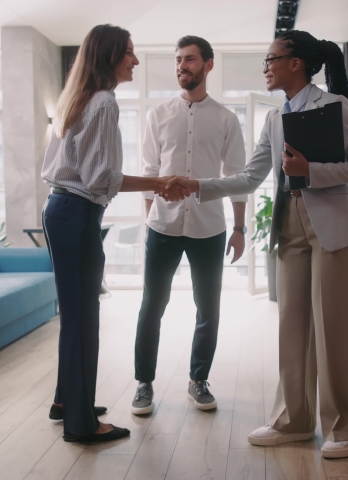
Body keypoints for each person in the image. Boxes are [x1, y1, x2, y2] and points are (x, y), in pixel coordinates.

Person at [169, 30, 348, 459]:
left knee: (333, 328)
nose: (265, 67)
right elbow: (249, 177)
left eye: (271, 59)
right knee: (293, 327)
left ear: (295, 63)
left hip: (331, 227)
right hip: (291, 225)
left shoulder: (334, 106)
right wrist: (197, 185)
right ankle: (294, 420)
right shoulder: (274, 117)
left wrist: (311, 169)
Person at [41, 24, 189, 443]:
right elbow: (101, 177)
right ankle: (82, 426)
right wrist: (159, 182)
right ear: (108, 55)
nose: (135, 61)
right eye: (128, 52)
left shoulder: (76, 97)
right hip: (77, 214)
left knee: (74, 316)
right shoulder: (104, 102)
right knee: (82, 319)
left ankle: (67, 401)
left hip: (59, 209)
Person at [130, 35, 247, 415]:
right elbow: (148, 171)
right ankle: (143, 383)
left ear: (208, 65)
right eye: (179, 59)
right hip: (161, 227)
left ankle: (198, 380)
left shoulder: (227, 120)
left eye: (191, 59)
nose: (183, 66)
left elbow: (237, 177)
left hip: (209, 228)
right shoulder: (157, 115)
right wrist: (149, 218)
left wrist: (240, 227)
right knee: (152, 305)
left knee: (208, 308)